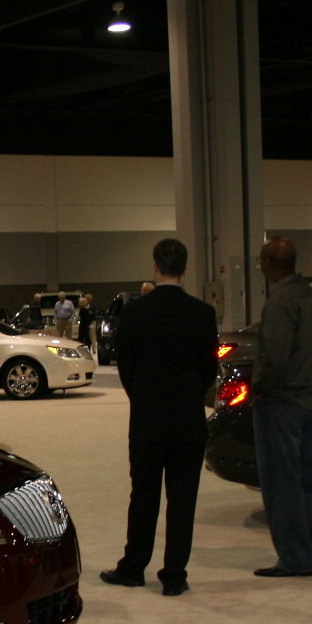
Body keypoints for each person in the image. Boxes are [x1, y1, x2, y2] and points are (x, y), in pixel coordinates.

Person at [99, 239, 218, 597]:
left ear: (155, 266)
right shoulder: (202, 313)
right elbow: (208, 368)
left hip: (148, 421)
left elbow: (126, 366)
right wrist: (188, 395)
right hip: (187, 422)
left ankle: (133, 567)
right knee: (183, 501)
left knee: (144, 496)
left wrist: (142, 397)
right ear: (184, 269)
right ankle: (174, 576)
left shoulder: (135, 312)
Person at [252, 237, 312, 577]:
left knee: (281, 484)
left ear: (269, 262)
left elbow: (276, 359)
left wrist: (258, 389)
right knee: (303, 482)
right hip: (311, 400)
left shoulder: (280, 301)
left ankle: (294, 558)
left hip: (282, 403)